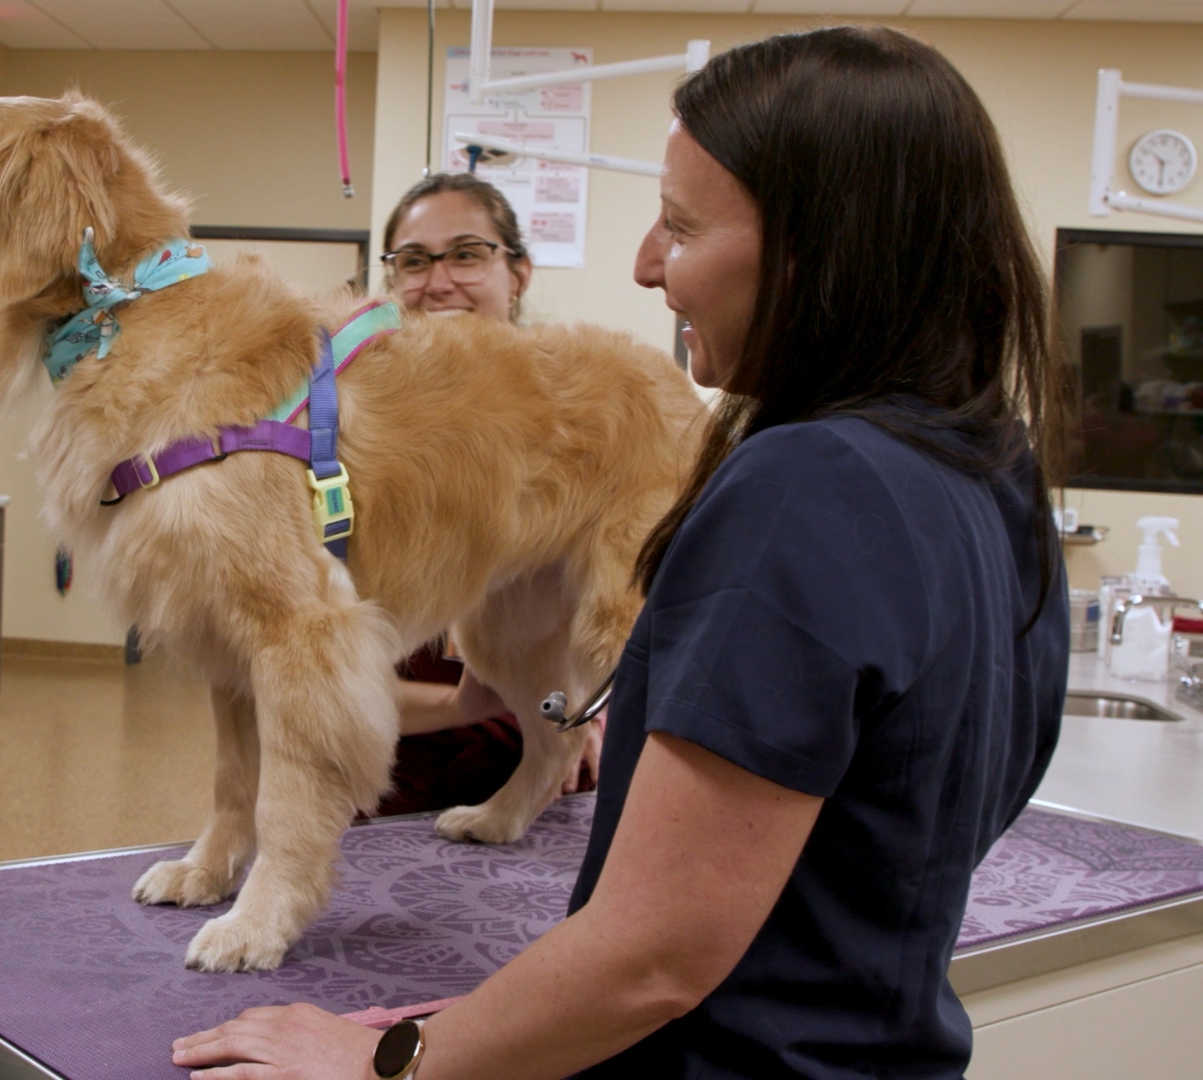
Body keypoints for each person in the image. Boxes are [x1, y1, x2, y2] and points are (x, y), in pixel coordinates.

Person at [174, 25, 1065, 1079]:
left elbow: (654, 960)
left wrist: (396, 1062)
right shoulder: (990, 472)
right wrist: (501, 1022)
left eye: (680, 229)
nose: (646, 266)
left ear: (826, 249)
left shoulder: (804, 488)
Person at [375, 172, 600, 816]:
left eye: (467, 254)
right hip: (387, 776)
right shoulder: (349, 436)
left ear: (519, 273)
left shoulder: (584, 425)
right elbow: (302, 673)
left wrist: (574, 717)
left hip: (543, 786)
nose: (438, 281)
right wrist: (458, 704)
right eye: (414, 261)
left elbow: (599, 647)